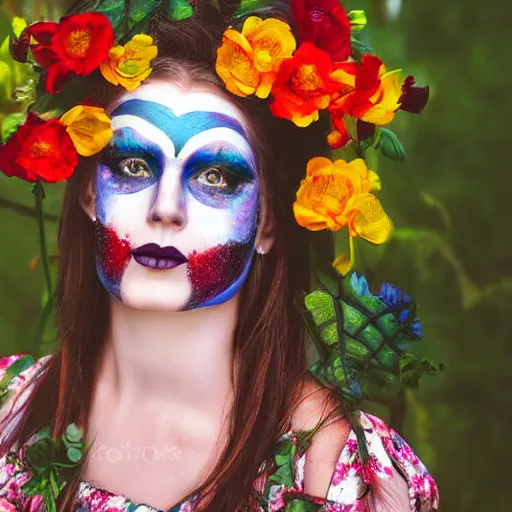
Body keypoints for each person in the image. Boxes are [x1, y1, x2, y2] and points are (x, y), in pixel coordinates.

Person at [0, 0, 439, 510]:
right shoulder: (8, 409)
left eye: (216, 177)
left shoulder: (334, 471)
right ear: (89, 195)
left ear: (268, 223)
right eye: (134, 165)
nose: (166, 209)